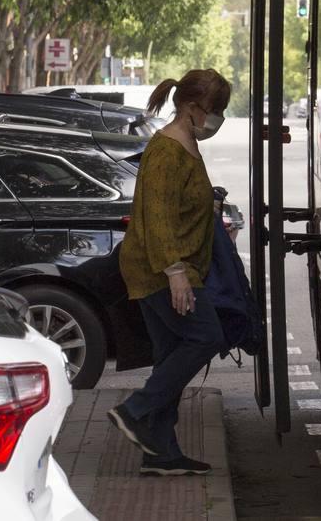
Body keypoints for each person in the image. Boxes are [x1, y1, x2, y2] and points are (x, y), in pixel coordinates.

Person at [107, 69, 231, 475]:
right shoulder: (166, 151)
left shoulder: (186, 145)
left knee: (168, 357)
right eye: (216, 110)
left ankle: (161, 453)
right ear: (193, 108)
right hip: (159, 269)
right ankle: (135, 410)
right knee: (206, 335)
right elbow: (157, 219)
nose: (218, 119)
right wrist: (177, 274)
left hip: (168, 265)